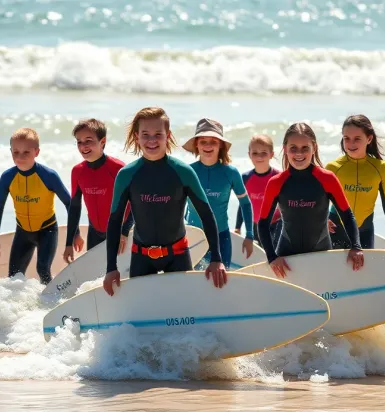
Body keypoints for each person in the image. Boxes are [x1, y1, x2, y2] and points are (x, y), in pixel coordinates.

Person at [102, 107, 227, 296]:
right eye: (145, 134)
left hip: (177, 255)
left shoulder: (183, 172)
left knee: (185, 316)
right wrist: (111, 268)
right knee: (142, 319)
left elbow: (206, 214)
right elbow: (114, 221)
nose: (152, 140)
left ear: (167, 135)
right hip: (141, 257)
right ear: (137, 136)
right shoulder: (126, 175)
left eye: (158, 134)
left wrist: (216, 259)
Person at [258, 122, 364, 279]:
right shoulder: (276, 182)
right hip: (286, 258)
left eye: (305, 148)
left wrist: (356, 246)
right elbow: (263, 223)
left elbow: (347, 215)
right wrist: (272, 257)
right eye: (293, 148)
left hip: (321, 255)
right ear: (285, 149)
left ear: (314, 147)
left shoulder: (327, 179)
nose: (298, 153)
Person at [0, 128, 73, 285]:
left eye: (26, 152)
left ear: (37, 152)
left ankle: (50, 305)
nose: (20, 157)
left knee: (43, 270)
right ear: (10, 151)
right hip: (23, 232)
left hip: (47, 230)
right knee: (13, 277)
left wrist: (73, 236)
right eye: (15, 152)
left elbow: (69, 203)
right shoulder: (7, 177)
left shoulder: (48, 176)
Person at [326, 115, 385, 251]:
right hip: (335, 229)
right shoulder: (333, 167)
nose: (351, 144)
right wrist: (322, 221)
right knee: (335, 272)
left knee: (363, 272)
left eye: (357, 139)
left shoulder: (380, 168)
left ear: (369, 138)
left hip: (365, 231)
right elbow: (320, 200)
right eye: (346, 138)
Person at [182, 118, 254, 269]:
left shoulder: (230, 173)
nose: (208, 146)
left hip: (221, 237)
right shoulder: (188, 171)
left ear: (220, 144)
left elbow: (245, 203)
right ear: (196, 144)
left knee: (220, 284)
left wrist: (249, 234)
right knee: (192, 285)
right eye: (203, 141)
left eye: (213, 141)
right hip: (193, 238)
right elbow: (175, 203)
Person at [63, 118, 134, 263]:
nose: (83, 146)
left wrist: (125, 232)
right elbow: (75, 207)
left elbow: (133, 203)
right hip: (94, 232)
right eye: (79, 141)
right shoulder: (77, 171)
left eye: (88, 140)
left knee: (118, 273)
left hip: (119, 232)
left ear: (102, 142)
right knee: (95, 279)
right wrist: (69, 242)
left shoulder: (118, 169)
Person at [235, 134, 283, 250]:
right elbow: (243, 204)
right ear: (249, 155)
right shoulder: (245, 177)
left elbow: (285, 203)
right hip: (255, 225)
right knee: (262, 255)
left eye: (264, 153)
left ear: (271, 154)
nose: (259, 157)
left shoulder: (278, 176)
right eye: (255, 153)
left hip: (275, 224)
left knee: (275, 255)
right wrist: (238, 227)